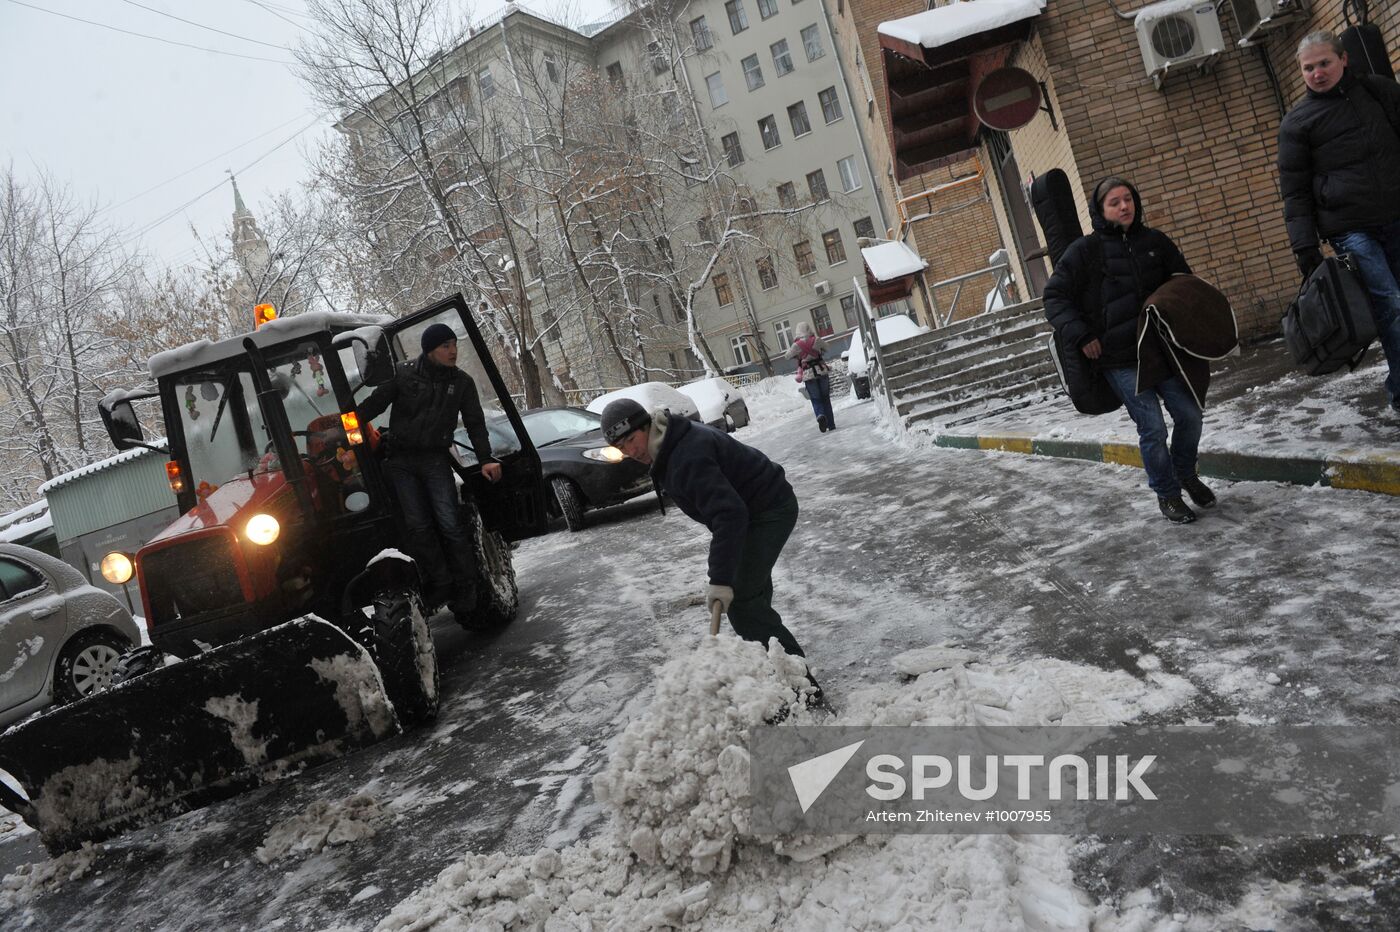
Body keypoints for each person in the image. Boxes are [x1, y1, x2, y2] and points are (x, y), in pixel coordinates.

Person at [601, 398, 820, 691]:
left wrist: (719, 579)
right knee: (749, 594)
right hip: (753, 510)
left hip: (769, 510)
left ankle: (801, 685)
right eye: (621, 447)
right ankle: (775, 668)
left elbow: (728, 515)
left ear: (646, 426)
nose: (630, 451)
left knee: (742, 601)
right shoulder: (668, 444)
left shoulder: (685, 455)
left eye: (631, 439)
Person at [1043, 177, 1214, 525]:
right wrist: (1081, 334)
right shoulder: (1085, 251)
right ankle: (1167, 495)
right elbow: (1054, 297)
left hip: (1161, 350)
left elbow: (1183, 285)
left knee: (1190, 414)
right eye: (1114, 202)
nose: (1124, 207)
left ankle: (1185, 474)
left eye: (1128, 199)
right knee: (1152, 427)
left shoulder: (1155, 242)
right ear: (1100, 210)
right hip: (1118, 357)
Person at [1277, 30, 1400, 413]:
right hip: (1351, 228)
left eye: (1324, 63)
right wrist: (1304, 246)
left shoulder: (1379, 93)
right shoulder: (1297, 124)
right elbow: (1295, 192)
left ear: (1343, 59)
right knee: (1392, 303)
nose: (1317, 73)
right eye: (1308, 68)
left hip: (1396, 215)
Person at [358, 323, 503, 618]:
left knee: (450, 522)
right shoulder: (402, 373)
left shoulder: (462, 383)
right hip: (400, 460)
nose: (453, 351)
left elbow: (475, 423)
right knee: (418, 525)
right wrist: (341, 425)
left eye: (454, 344)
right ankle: (441, 582)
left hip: (435, 458)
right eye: (445, 346)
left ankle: (467, 585)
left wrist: (486, 458)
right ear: (429, 350)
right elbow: (372, 406)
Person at [787, 321, 836, 432]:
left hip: (808, 374)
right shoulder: (816, 340)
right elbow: (827, 347)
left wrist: (797, 354)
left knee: (816, 399)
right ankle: (831, 424)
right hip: (821, 370)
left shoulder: (796, 345)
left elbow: (787, 356)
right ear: (809, 329)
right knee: (825, 398)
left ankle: (820, 415)